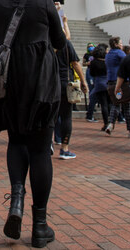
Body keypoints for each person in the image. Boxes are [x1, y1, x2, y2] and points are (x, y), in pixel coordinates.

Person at [0, 0, 65, 247]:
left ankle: (16, 200)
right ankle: (40, 226)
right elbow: (60, 42)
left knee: (16, 142)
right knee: (41, 150)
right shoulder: (45, 3)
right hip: (41, 80)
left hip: (11, 82)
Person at [54, 12, 86, 160]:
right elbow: (75, 63)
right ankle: (64, 148)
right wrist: (84, 82)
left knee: (50, 115)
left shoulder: (46, 44)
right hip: (66, 83)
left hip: (49, 83)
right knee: (66, 116)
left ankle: (48, 144)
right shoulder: (66, 44)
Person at [104, 36, 130, 139]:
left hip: (111, 82)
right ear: (116, 44)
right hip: (121, 83)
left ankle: (110, 124)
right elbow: (129, 62)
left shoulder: (109, 54)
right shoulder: (119, 53)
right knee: (127, 105)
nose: (121, 44)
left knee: (116, 104)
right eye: (120, 43)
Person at [87, 44, 110, 131]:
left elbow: (92, 73)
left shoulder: (93, 62)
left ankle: (106, 123)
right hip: (108, 82)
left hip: (99, 83)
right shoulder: (107, 61)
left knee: (103, 104)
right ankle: (111, 122)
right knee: (110, 103)